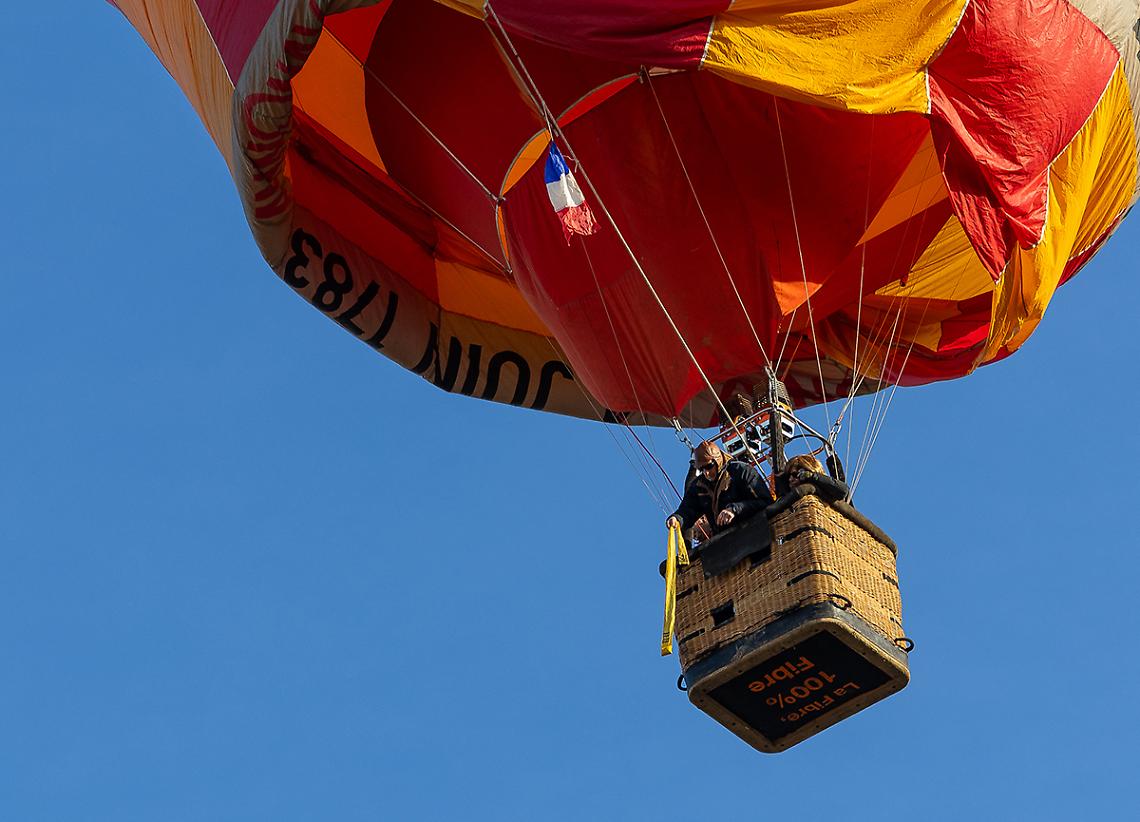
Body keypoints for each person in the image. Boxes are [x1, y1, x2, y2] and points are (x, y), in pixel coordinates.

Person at [666, 440, 773, 540]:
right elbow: (688, 509)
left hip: (756, 533)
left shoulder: (741, 471)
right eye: (701, 469)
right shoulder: (699, 486)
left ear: (717, 461)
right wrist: (677, 519)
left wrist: (735, 509)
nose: (706, 473)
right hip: (728, 544)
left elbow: (765, 501)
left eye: (709, 466)